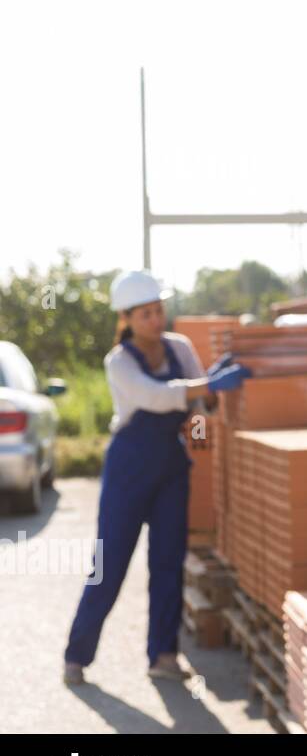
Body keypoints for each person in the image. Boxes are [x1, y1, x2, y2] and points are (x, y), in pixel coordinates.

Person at [63, 270, 251, 685]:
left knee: (168, 562)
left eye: (159, 310)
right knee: (109, 563)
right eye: (146, 313)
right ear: (126, 318)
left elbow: (200, 404)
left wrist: (216, 392)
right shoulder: (119, 362)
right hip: (129, 467)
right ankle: (76, 656)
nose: (155, 319)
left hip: (170, 464)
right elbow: (154, 395)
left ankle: (163, 656)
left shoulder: (180, 348)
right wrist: (205, 383)